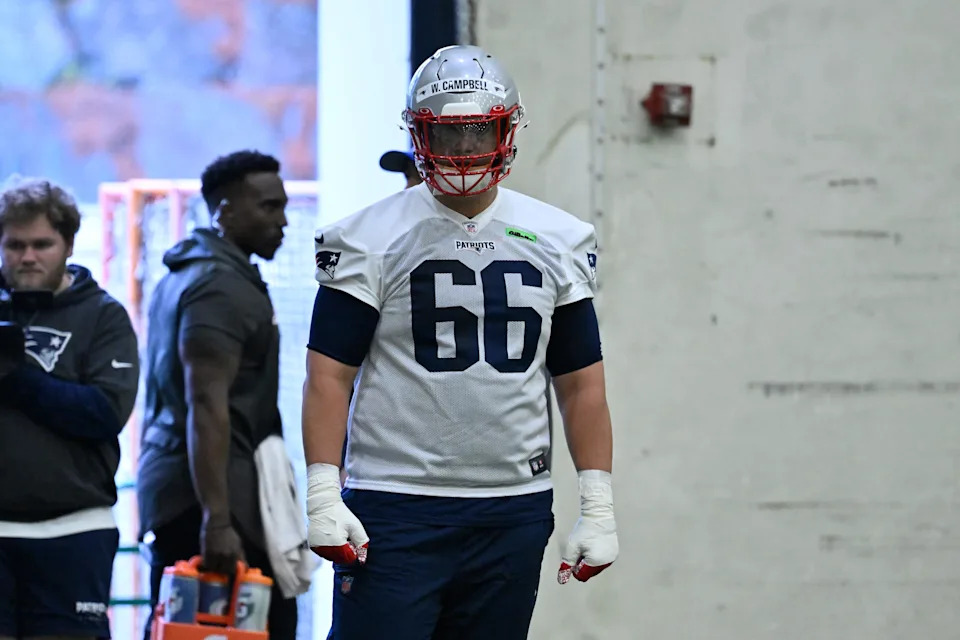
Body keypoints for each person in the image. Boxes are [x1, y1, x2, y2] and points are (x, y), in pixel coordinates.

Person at [303, 45, 619, 639]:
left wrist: (597, 503)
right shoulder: (367, 238)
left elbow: (581, 384)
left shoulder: (559, 237)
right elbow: (329, 376)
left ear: (507, 128)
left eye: (478, 132)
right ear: (420, 136)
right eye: (447, 135)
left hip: (513, 504)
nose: (465, 151)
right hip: (395, 502)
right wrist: (324, 492)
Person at [136, 150, 303, 640]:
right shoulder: (218, 288)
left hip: (190, 490)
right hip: (207, 498)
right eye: (268, 208)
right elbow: (206, 406)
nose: (283, 221)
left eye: (282, 206)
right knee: (263, 627)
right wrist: (218, 521)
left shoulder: (194, 272)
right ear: (224, 210)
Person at [0, 176, 139, 639]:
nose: (27, 257)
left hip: (73, 533)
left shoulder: (103, 316)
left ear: (69, 244)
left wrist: (16, 379)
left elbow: (102, 413)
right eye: (15, 244)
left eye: (42, 244)